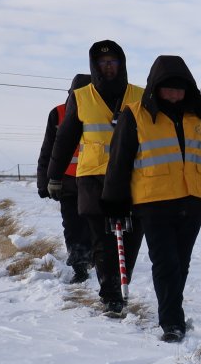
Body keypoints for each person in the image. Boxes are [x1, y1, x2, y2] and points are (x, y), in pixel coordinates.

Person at [100, 56, 201, 342]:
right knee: (165, 263)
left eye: (180, 89)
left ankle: (172, 309)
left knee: (181, 263)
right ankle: (172, 323)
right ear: (155, 88)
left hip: (191, 201)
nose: (175, 95)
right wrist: (115, 205)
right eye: (169, 89)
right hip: (153, 203)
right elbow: (118, 164)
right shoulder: (135, 115)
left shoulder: (198, 116)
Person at [48, 40, 144, 317]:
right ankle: (110, 295)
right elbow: (64, 140)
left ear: (121, 64)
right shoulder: (81, 97)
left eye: (112, 61)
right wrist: (54, 176)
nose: (108, 66)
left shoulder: (140, 95)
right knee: (103, 241)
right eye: (102, 62)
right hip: (93, 178)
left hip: (133, 178)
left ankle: (121, 282)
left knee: (131, 237)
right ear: (94, 66)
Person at [37, 75, 94, 282]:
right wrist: (44, 182)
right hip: (66, 182)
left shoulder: (102, 112)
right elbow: (48, 149)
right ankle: (80, 265)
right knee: (72, 225)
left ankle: (93, 258)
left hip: (95, 180)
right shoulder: (58, 113)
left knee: (92, 224)